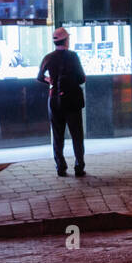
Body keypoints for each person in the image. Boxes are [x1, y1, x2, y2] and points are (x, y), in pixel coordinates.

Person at [38, 27, 86, 176]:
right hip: (72, 100)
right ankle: (79, 167)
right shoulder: (73, 56)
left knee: (58, 135)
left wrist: (50, 81)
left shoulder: (48, 57)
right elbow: (81, 78)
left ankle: (60, 167)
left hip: (54, 100)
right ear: (66, 40)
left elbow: (39, 76)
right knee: (76, 135)